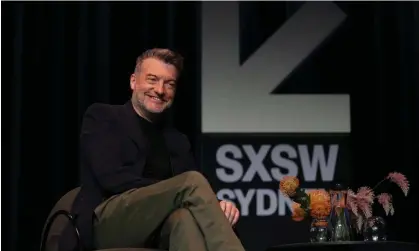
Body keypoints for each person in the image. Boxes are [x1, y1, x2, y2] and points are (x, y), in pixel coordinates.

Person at [59, 48, 245, 251]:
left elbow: (190, 192)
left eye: (169, 84)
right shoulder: (103, 117)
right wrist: (175, 191)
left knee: (183, 218)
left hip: (158, 225)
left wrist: (218, 204)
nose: (160, 90)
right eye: (152, 79)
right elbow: (112, 179)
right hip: (106, 222)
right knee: (191, 182)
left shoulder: (177, 140)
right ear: (133, 82)